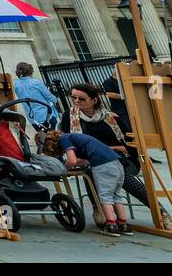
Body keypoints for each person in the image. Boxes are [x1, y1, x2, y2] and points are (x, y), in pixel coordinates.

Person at [60, 83, 151, 212]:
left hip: (122, 160)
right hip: (89, 161)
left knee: (117, 170)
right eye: (73, 97)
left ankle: (160, 212)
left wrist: (110, 150)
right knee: (95, 169)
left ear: (94, 100)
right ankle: (100, 212)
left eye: (81, 99)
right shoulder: (69, 118)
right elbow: (68, 144)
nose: (76, 101)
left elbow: (130, 146)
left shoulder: (111, 118)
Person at [42, 130, 130, 236]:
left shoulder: (64, 139)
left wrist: (63, 169)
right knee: (116, 195)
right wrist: (72, 164)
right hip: (116, 162)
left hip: (103, 166)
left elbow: (72, 160)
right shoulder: (75, 137)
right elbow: (85, 160)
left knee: (105, 196)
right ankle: (123, 224)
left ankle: (111, 225)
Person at [12, 63, 59, 130]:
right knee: (53, 138)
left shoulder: (16, 85)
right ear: (30, 71)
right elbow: (49, 96)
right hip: (46, 116)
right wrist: (55, 100)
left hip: (32, 119)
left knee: (43, 138)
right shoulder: (36, 82)